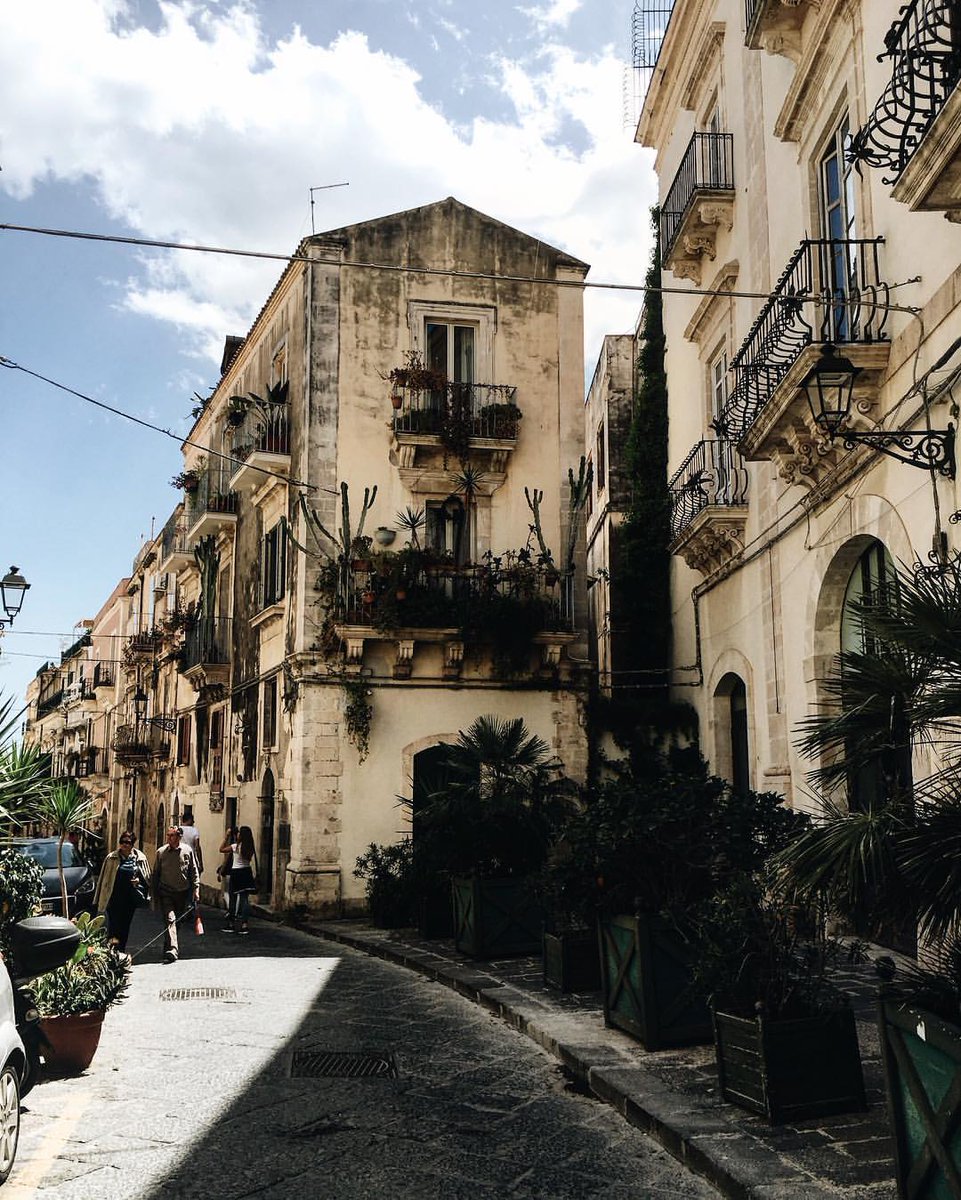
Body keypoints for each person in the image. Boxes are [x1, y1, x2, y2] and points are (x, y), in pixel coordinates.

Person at [93, 831, 150, 952]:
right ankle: (112, 952)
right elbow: (104, 879)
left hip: (130, 900)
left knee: (125, 926)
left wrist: (138, 882)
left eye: (128, 842)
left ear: (132, 844)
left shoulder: (140, 858)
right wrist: (100, 899)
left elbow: (147, 878)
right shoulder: (111, 858)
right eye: (122, 842)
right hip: (114, 899)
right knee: (114, 927)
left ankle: (121, 951)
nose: (124, 844)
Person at [152, 825, 200, 963]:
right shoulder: (161, 852)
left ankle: (168, 944)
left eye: (172, 835)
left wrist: (196, 889)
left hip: (182, 893)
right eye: (168, 835)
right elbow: (156, 874)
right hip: (166, 892)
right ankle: (173, 949)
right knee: (170, 919)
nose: (169, 838)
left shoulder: (187, 850)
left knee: (178, 921)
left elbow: (193, 870)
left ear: (179, 837)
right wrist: (153, 894)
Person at [219, 825, 257, 935]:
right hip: (247, 872)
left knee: (233, 898)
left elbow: (221, 849)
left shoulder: (236, 847)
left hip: (236, 872)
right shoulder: (250, 848)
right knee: (244, 900)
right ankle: (244, 924)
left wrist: (226, 836)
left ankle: (231, 923)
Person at [179, 806, 204, 875]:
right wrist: (200, 863)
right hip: (190, 858)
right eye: (192, 820)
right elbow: (197, 847)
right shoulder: (194, 830)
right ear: (189, 820)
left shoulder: (178, 830)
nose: (193, 822)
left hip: (179, 858)